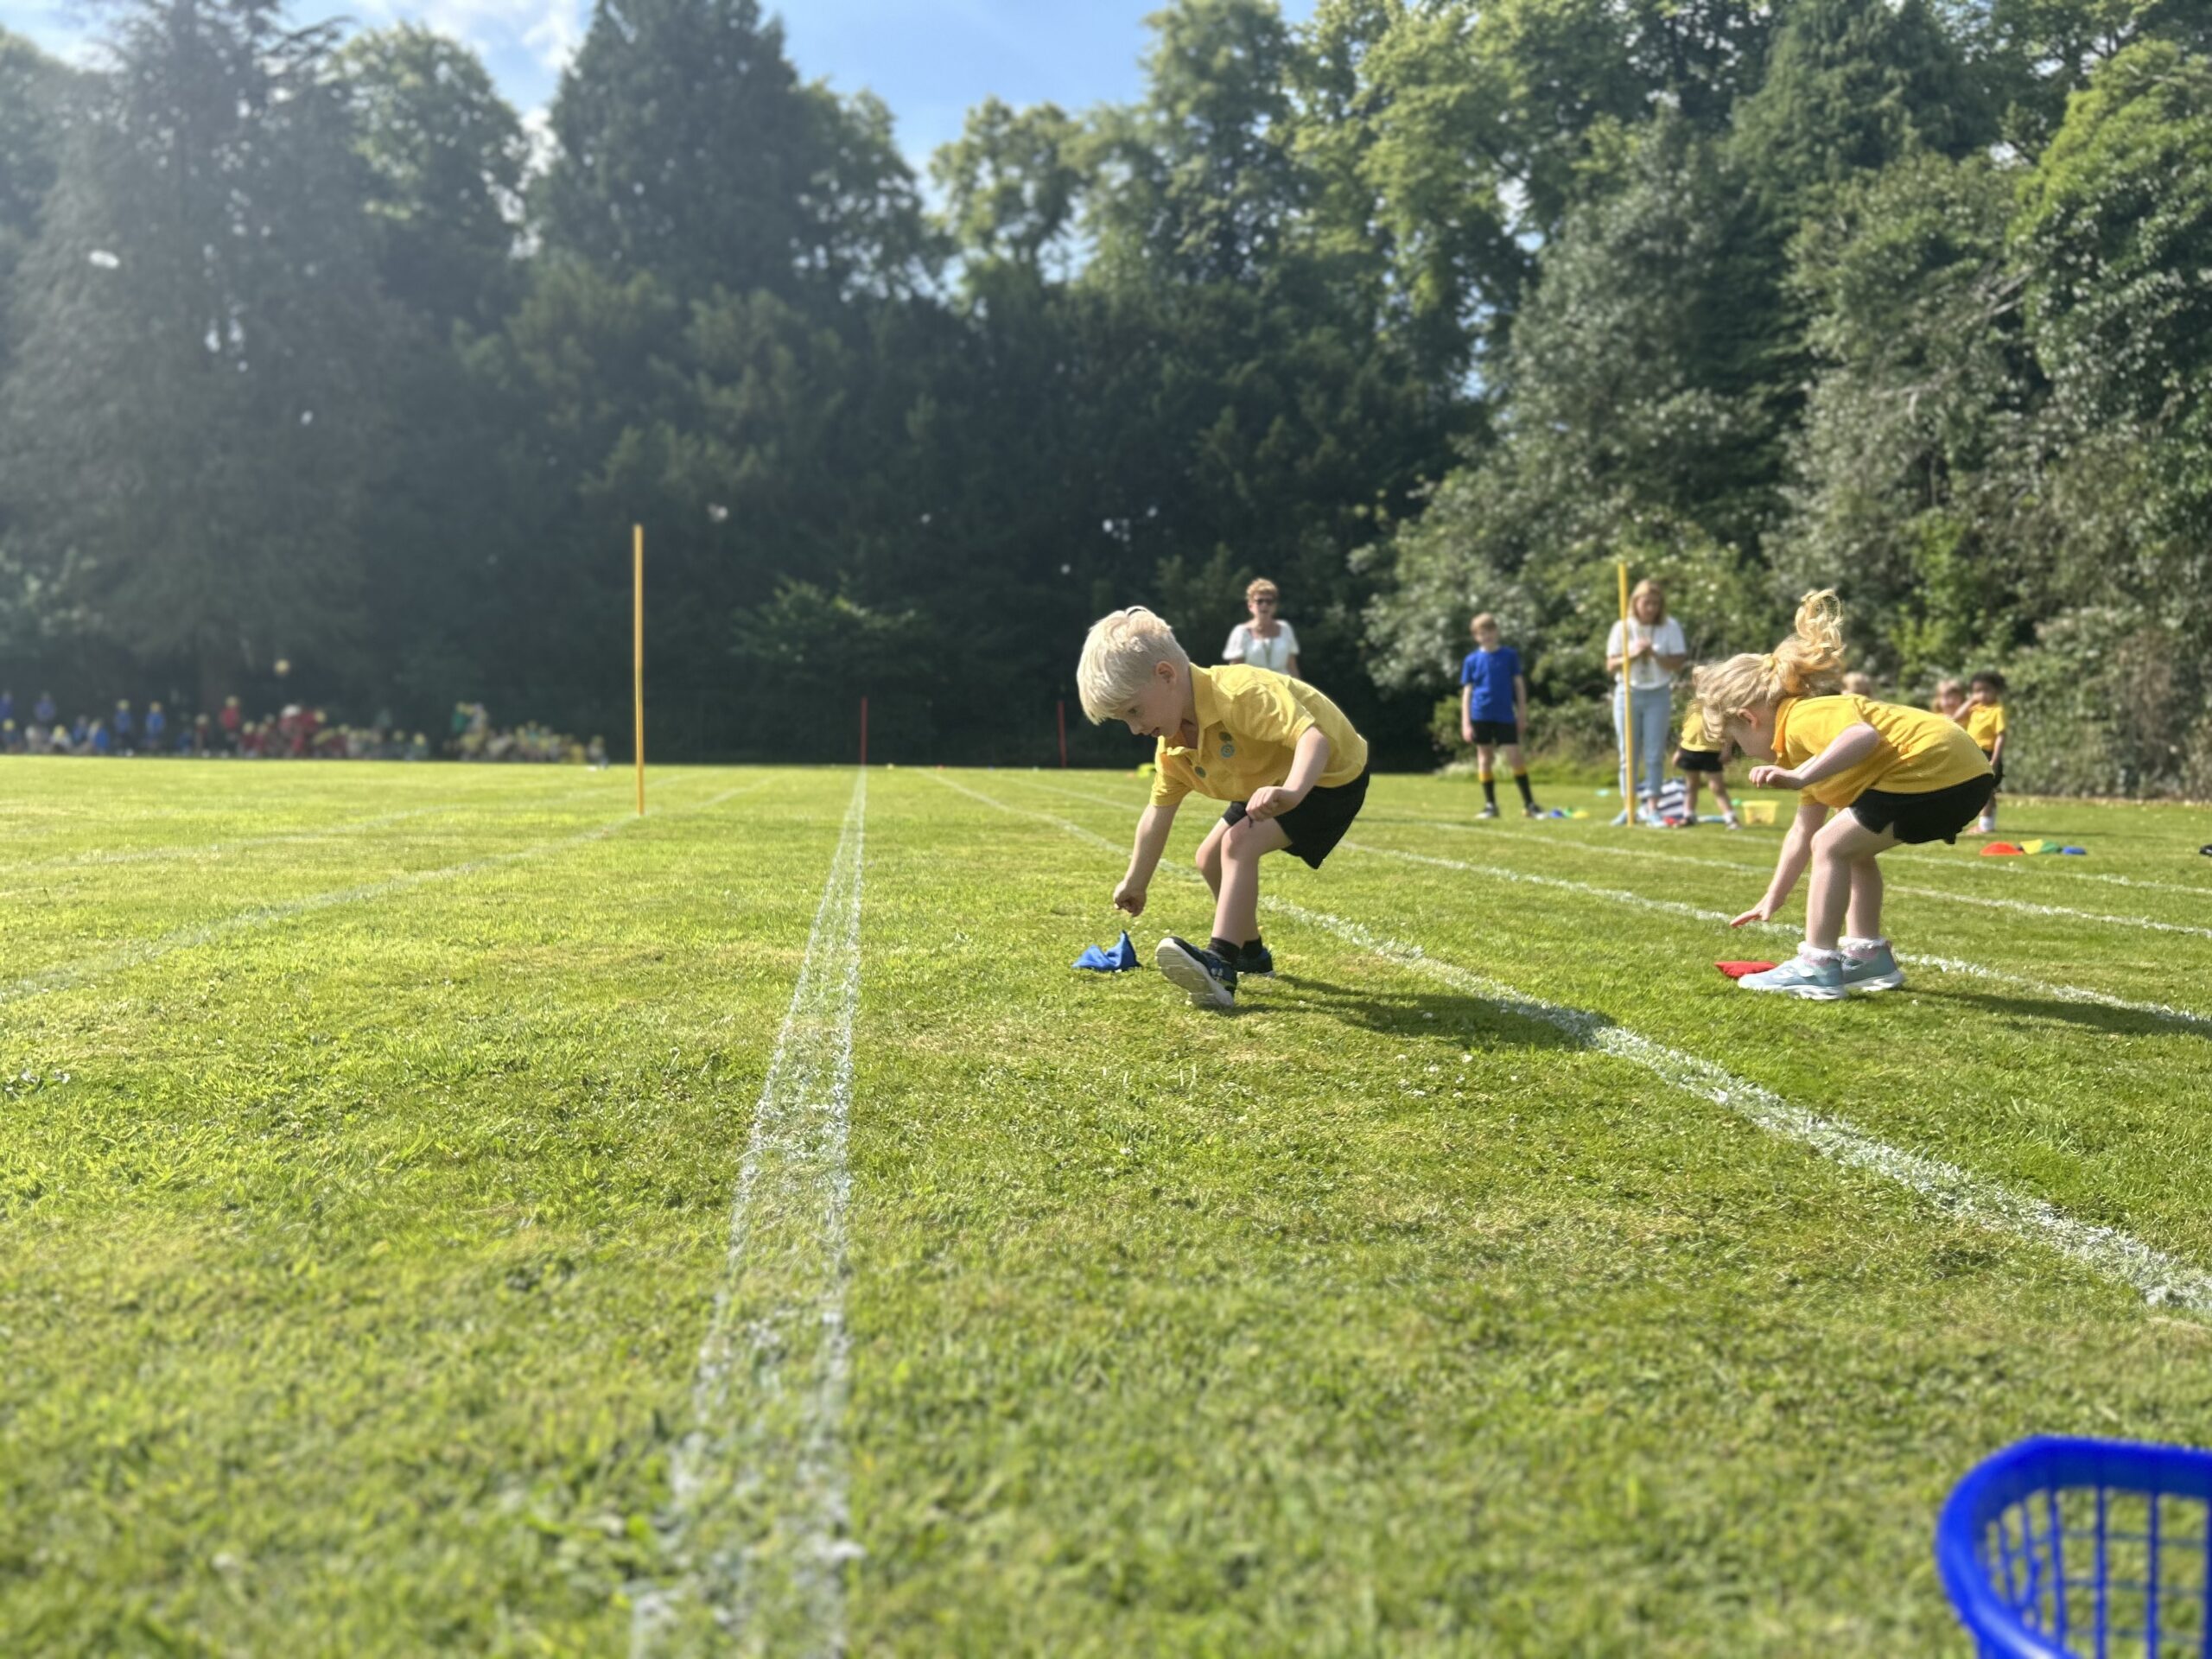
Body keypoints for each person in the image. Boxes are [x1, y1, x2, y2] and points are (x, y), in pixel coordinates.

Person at [1697, 590, 1993, 1001]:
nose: (1744, 754)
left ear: (1750, 719)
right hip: (1963, 776)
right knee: (1849, 848)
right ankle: (1869, 957)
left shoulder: (1802, 717)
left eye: (1736, 742)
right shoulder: (1802, 749)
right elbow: (1800, 834)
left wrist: (1800, 775)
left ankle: (1818, 966)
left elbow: (1862, 735)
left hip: (1934, 766)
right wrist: (1773, 896)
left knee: (1831, 845)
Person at [1079, 606, 1370, 1010]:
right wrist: (1135, 881)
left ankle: (1221, 964)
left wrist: (1292, 792)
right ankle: (1252, 954)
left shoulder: (1240, 693)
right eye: (1123, 720)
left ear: (1166, 675)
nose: (1135, 728)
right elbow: (1157, 814)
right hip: (1269, 778)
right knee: (1208, 857)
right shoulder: (1174, 748)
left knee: (1237, 844)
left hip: (1328, 776)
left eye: (1134, 711)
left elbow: (1313, 741)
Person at [1605, 579, 1688, 822]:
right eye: (1646, 603)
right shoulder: (1622, 627)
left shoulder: (1670, 626)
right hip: (1628, 692)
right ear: (1635, 603)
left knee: (1654, 752)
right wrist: (1633, 655)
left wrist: (1654, 654)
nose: (1651, 608)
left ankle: (1652, 807)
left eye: (1655, 603)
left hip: (1658, 693)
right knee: (1627, 754)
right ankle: (1629, 806)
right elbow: (1611, 665)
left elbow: (1678, 662)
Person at [1459, 613, 1540, 818]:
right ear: (1476, 636)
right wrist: (1466, 723)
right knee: (1485, 757)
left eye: (1490, 631)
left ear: (1496, 632)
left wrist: (1522, 714)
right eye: (1481, 633)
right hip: (1480, 714)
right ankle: (1490, 805)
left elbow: (1519, 686)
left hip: (1505, 714)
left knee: (1515, 756)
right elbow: (1467, 692)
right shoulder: (1472, 660)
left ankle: (1529, 804)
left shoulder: (1509, 655)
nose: (1487, 636)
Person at [1673, 700, 1738, 829]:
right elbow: (1686, 729)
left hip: (1711, 751)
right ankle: (1688, 816)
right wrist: (1679, 751)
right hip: (1689, 750)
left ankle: (1730, 818)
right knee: (1691, 785)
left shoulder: (1720, 705)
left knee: (1717, 787)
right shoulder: (1693, 704)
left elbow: (1729, 730)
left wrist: (1727, 749)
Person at [1221, 579, 1300, 677]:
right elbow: (1235, 671)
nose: (1264, 605)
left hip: (1282, 685)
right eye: (1259, 601)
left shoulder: (1285, 629)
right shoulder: (1241, 632)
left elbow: (1292, 668)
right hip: (1252, 685)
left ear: (1275, 606)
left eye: (1269, 601)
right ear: (1250, 606)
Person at [1964, 671, 2008, 834]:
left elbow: (2001, 736)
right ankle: (1988, 823)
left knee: (1985, 790)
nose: (1982, 695)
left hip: (1987, 753)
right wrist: (1971, 700)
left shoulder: (1997, 711)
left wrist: (1995, 759)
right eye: (1977, 691)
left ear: (1996, 690)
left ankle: (1985, 826)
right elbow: (1955, 716)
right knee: (1986, 790)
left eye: (1986, 690)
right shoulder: (1976, 708)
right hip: (1973, 752)